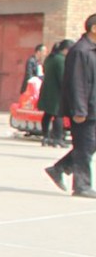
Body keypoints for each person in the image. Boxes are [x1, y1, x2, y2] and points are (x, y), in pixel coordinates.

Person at [45, 14, 96, 198]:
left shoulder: (92, 50)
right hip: (84, 109)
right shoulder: (80, 51)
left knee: (88, 145)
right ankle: (82, 186)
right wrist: (79, 110)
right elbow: (77, 82)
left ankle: (59, 168)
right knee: (84, 147)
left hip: (93, 106)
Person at [41, 39, 72, 147]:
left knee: (47, 114)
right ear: (66, 50)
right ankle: (58, 139)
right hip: (57, 92)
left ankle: (45, 136)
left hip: (47, 90)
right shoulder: (60, 60)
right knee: (58, 115)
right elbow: (62, 78)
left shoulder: (50, 58)